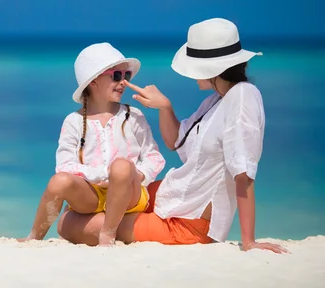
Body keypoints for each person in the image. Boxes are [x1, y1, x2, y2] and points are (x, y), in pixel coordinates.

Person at [56, 18, 288, 254]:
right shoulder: (216, 100)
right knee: (102, 202)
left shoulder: (242, 98)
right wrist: (164, 107)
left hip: (190, 221)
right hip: (177, 192)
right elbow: (177, 142)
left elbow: (243, 170)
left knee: (69, 225)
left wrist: (248, 241)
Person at [18, 42, 165, 246]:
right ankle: (34, 237)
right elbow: (65, 165)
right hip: (92, 194)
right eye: (116, 76)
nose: (123, 82)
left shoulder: (133, 116)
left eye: (126, 76)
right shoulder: (74, 121)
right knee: (58, 181)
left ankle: (107, 234)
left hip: (128, 194)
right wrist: (102, 175)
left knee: (122, 166)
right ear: (93, 81)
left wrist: (135, 174)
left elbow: (153, 157)